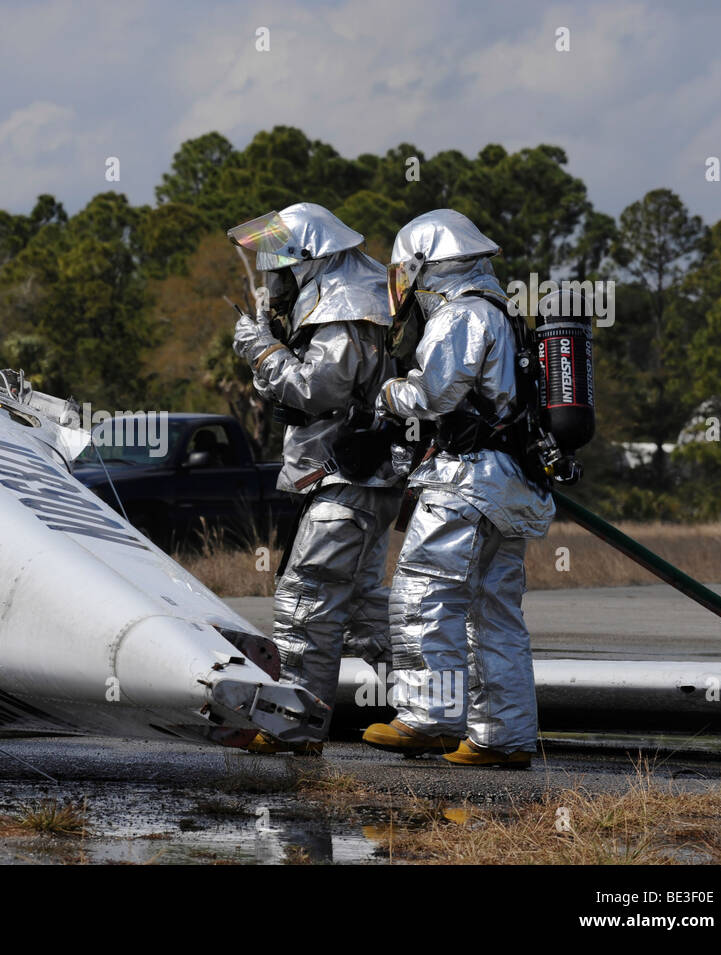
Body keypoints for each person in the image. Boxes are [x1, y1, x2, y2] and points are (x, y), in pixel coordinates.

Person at [361, 209, 554, 768]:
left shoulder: (462, 314)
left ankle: (428, 719)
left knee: (423, 594)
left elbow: (433, 396)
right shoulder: (503, 312)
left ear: (427, 267)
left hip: (464, 480)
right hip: (508, 485)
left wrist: (385, 392)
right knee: (494, 613)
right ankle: (504, 738)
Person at [229, 203, 404, 755]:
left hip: (347, 474)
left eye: (277, 260)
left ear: (306, 256)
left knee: (307, 599)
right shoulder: (357, 291)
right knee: (359, 608)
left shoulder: (344, 303)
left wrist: (259, 349)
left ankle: (293, 727)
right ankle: (450, 707)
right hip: (359, 475)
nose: (270, 273)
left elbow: (316, 389)